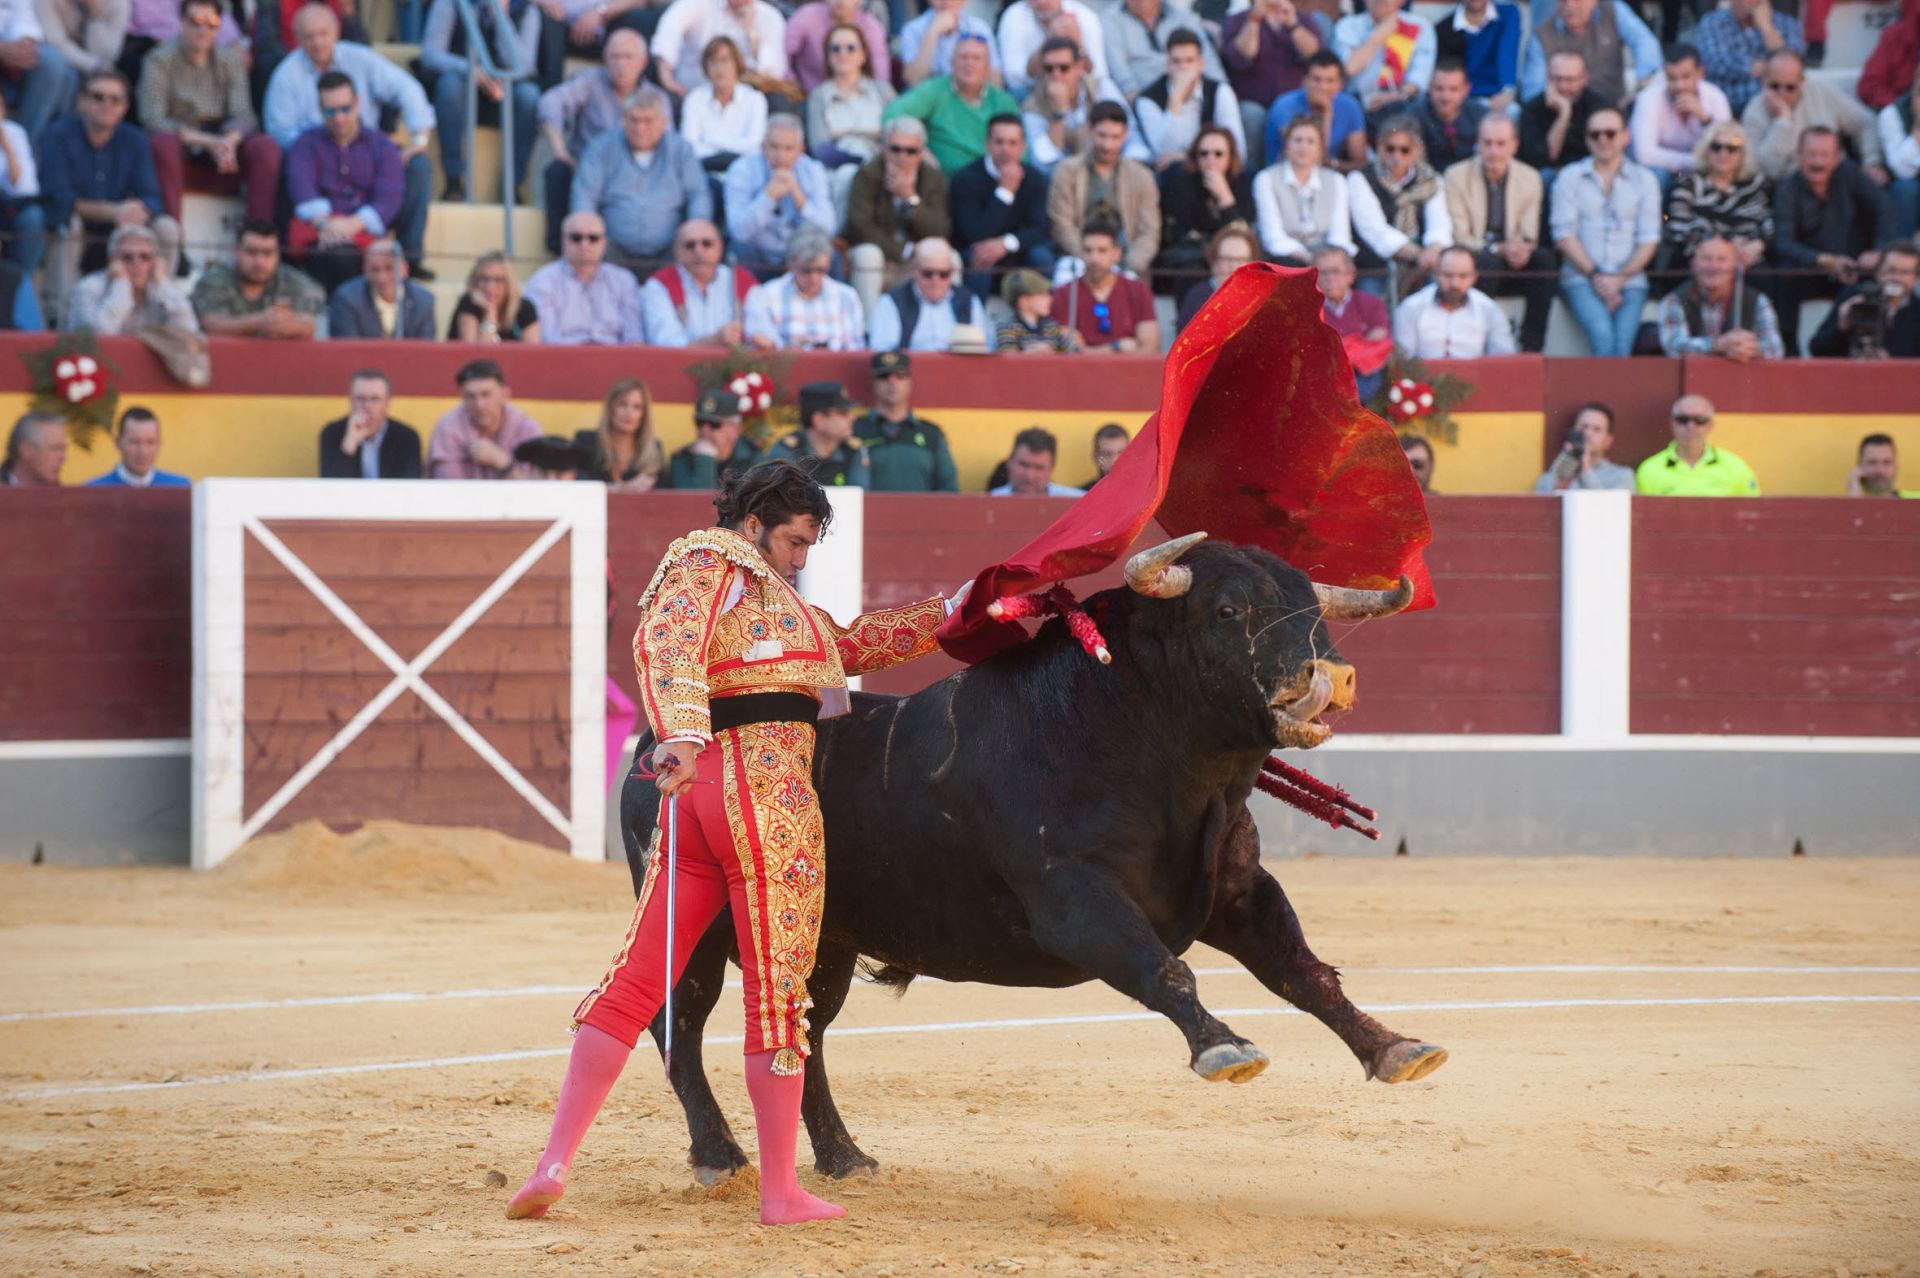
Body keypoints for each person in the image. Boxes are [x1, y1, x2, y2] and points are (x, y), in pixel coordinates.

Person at [505, 461, 955, 1228]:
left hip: (698, 805)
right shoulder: (712, 558)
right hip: (763, 794)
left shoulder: (777, 602)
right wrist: (680, 733)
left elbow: (851, 645)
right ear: (752, 524)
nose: (799, 557)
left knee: (636, 981)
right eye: (792, 539)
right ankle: (780, 1191)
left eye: (809, 543)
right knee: (779, 999)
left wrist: (961, 607)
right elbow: (667, 639)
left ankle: (554, 1163)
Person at [264, 4, 434, 278]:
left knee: (418, 167)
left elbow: (408, 89)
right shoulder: (286, 75)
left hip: (369, 155)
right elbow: (282, 134)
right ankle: (288, 259)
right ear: (296, 37)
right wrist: (325, 147)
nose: (317, 41)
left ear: (337, 31)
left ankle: (409, 260)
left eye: (323, 33)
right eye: (308, 35)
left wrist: (419, 137)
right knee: (286, 166)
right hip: (315, 163)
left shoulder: (362, 60)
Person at [40, 68, 180, 304]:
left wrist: (139, 210)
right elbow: (58, 197)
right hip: (78, 223)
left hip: (121, 226)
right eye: (98, 97)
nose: (107, 104)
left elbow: (152, 197)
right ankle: (60, 312)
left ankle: (161, 303)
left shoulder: (134, 139)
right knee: (68, 224)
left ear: (124, 107)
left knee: (167, 227)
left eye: (115, 100)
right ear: (81, 100)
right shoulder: (59, 135)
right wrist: (113, 211)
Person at [138, 0, 279, 228]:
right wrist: (209, 143)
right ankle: (173, 236)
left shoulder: (230, 59)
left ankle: (258, 237)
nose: (203, 30)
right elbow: (153, 119)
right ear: (181, 23)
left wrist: (228, 142)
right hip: (183, 140)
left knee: (265, 148)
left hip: (221, 141)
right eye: (196, 22)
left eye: (212, 23)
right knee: (162, 142)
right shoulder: (158, 59)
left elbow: (244, 115)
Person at [1770, 126, 1896, 355]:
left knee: (1878, 284)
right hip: (1809, 269)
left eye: (1825, 155)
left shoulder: (1850, 174)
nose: (1818, 162)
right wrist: (1826, 261)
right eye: (1811, 154)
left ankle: (1870, 352)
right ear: (1799, 155)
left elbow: (1884, 207)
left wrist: (1878, 250)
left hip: (1855, 267)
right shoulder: (1788, 188)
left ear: (1837, 157)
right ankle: (1790, 355)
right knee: (1782, 278)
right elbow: (1783, 242)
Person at [284, 71, 406, 297]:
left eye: (345, 109)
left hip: (365, 232)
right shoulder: (306, 144)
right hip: (319, 233)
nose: (338, 118)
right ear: (320, 110)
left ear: (357, 104)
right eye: (330, 111)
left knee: (367, 260)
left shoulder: (383, 146)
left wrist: (350, 225)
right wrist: (326, 225)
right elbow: (302, 190)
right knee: (338, 255)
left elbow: (388, 199)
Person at [1550, 105, 1660, 356]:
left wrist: (1619, 278)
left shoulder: (1645, 180)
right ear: (1586, 138)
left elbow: (1648, 239)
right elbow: (1564, 235)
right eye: (1595, 134)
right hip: (1581, 279)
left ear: (1625, 136)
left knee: (1620, 347)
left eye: (1610, 133)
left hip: (1630, 281)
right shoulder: (1570, 177)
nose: (1602, 139)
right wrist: (1598, 277)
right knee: (1603, 338)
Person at [572, 85, 712, 271]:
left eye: (648, 121)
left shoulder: (681, 150)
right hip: (612, 251)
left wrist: (695, 230)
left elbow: (698, 194)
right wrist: (589, 235)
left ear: (664, 122)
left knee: (697, 244)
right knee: (586, 240)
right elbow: (584, 195)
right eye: (634, 120)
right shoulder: (601, 148)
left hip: (670, 252)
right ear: (623, 120)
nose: (640, 128)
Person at [1445, 114, 1554, 352]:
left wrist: (1521, 247)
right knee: (1488, 261)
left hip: (1512, 257)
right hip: (1479, 257)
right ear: (1478, 143)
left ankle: (1532, 347)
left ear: (1514, 145)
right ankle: (1481, 341)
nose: (1494, 151)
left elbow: (1529, 233)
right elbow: (1460, 235)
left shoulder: (1530, 177)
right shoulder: (1456, 175)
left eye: (1501, 144)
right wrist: (1497, 248)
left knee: (1544, 260)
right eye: (1487, 143)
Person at [538, 29, 649, 256]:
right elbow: (550, 102)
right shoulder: (592, 81)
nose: (621, 64)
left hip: (632, 181)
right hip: (585, 171)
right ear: (605, 59)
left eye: (628, 57)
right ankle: (560, 250)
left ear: (643, 62)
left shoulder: (654, 99)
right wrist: (559, 149)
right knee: (557, 171)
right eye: (615, 56)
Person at [418, 0, 539, 201]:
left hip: (503, 91)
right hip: (463, 89)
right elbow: (431, 54)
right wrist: (470, 70)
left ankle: (511, 186)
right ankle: (454, 180)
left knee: (529, 96)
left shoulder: (527, 9)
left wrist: (499, 18)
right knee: (449, 86)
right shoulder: (450, 4)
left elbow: (524, 65)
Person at [845, 116, 951, 312]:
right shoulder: (867, 174)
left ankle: (945, 324)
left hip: (917, 263)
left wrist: (910, 198)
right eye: (895, 149)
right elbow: (859, 226)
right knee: (868, 255)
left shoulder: (933, 177)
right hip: (882, 259)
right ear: (884, 148)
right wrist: (904, 250)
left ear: (921, 153)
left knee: (949, 257)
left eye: (911, 151)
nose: (902, 157)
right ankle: (868, 331)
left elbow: (939, 229)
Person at [1048, 100, 1161, 277]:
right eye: (1102, 135)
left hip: (1126, 260)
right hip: (1078, 259)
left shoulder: (1141, 176)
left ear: (1125, 135)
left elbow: (1149, 231)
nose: (1107, 145)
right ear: (1089, 131)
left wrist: (1131, 264)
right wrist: (1090, 257)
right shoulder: (1067, 171)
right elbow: (1062, 224)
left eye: (1115, 137)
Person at [948, 112, 1053, 301]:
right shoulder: (965, 178)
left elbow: (1039, 228)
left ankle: (1043, 322)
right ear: (987, 144)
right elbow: (974, 233)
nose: (1006, 149)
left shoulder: (1035, 179)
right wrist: (1004, 193)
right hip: (977, 252)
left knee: (1041, 256)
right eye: (999, 142)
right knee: (981, 259)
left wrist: (1005, 244)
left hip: (1016, 250)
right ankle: (973, 322)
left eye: (1012, 143)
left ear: (1023, 147)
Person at [883, 32, 1020, 175]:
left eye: (976, 58)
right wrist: (920, 151)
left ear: (988, 66)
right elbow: (893, 114)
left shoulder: (1003, 102)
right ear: (952, 62)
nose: (969, 63)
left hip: (987, 184)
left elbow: (1021, 152)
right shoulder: (934, 90)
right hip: (940, 183)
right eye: (963, 57)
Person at [1739, 49, 1885, 184]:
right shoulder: (1754, 112)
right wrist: (1782, 122)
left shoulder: (1821, 91)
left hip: (1838, 180)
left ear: (1802, 82)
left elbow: (1865, 122)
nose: (1782, 94)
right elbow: (1767, 171)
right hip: (1791, 188)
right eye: (1775, 86)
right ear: (1763, 82)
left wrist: (1872, 162)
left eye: (1790, 87)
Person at [1348, 114, 1451, 295]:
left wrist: (1433, 249)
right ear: (1379, 147)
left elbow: (1439, 222)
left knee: (1444, 278)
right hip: (1377, 262)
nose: (1397, 156)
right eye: (1390, 149)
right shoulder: (1361, 178)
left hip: (1426, 260)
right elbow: (1373, 230)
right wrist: (1418, 254)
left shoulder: (1431, 180)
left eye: (1405, 150)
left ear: (1417, 149)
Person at [1221, 0, 1329, 167]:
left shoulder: (1303, 19)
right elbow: (1243, 54)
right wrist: (1254, 19)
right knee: (1251, 114)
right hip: (1254, 103)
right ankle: (1249, 175)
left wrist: (1293, 25)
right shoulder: (1236, 20)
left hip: (1294, 104)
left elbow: (1315, 57)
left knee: (1298, 119)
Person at [723, 112, 832, 269]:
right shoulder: (742, 170)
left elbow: (827, 228)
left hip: (800, 254)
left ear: (801, 150)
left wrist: (799, 196)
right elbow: (739, 232)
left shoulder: (813, 170)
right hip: (757, 252)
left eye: (788, 148)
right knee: (738, 249)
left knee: (829, 255)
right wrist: (768, 197)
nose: (781, 156)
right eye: (774, 147)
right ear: (763, 146)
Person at [523, 210, 647, 344]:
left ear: (604, 242)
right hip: (565, 360)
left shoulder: (624, 280)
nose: (584, 244)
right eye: (576, 238)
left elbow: (634, 338)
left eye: (593, 238)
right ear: (563, 240)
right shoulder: (543, 280)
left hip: (616, 360)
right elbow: (547, 340)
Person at [188, 220, 324, 339]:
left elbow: (310, 325)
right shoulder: (214, 278)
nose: (259, 262)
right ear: (237, 251)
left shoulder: (294, 280)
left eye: (267, 253)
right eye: (251, 252)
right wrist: (259, 322)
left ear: (277, 255)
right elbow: (209, 324)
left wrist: (291, 326)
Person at [1134, 29, 1247, 172]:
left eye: (1190, 60)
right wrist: (1176, 99)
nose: (1183, 68)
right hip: (1174, 175)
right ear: (1167, 64)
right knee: (1178, 171)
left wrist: (1186, 156)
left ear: (1201, 64)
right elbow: (1163, 152)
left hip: (1217, 167)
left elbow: (1236, 148)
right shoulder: (1147, 99)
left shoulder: (1219, 91)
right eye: (1176, 61)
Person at [1655, 234, 1783, 360]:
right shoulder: (1674, 300)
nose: (1713, 266)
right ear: (1693, 265)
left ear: (1735, 267)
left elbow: (1776, 349)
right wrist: (1718, 345)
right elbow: (1673, 348)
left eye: (1722, 259)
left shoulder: (1758, 300)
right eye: (1706, 258)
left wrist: (1750, 349)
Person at [1157, 124, 1254, 290]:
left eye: (1218, 154)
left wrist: (1225, 197)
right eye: (1203, 153)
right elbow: (1183, 232)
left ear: (1230, 157)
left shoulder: (1244, 181)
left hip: (1230, 253)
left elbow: (1242, 234)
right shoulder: (1183, 179)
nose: (1211, 159)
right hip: (1193, 253)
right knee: (1190, 269)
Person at [1663, 119, 1771, 265]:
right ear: (1706, 151)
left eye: (1732, 148)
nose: (1723, 153)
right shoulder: (1689, 184)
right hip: (1700, 259)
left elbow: (1766, 226)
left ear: (1742, 154)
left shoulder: (1754, 185)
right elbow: (1678, 228)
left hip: (1746, 261)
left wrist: (1758, 245)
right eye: (1716, 147)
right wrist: (1725, 248)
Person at [1253, 113, 1356, 264]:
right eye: (1297, 140)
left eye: (1311, 142)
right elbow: (1273, 237)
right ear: (1287, 146)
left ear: (1320, 149)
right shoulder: (1266, 179)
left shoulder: (1336, 181)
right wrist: (1310, 259)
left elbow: (1339, 234)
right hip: (1285, 258)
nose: (1303, 147)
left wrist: (1326, 259)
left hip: (1326, 259)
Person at [743, 224, 865, 350]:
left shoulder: (847, 296)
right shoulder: (764, 296)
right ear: (790, 263)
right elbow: (760, 350)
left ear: (829, 262)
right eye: (806, 271)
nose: (814, 278)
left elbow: (856, 351)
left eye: (821, 270)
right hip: (785, 368)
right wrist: (788, 350)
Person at [1519, 0, 1660, 108]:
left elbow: (1644, 41)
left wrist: (1643, 79)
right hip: (1563, 113)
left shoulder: (1613, 10)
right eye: (1563, 0)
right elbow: (1532, 91)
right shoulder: (1541, 35)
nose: (1570, 6)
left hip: (1611, 108)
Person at [64, 223, 198, 334]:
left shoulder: (162, 289)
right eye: (127, 257)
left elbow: (189, 332)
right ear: (113, 261)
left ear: (155, 262)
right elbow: (100, 335)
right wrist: (121, 285)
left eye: (145, 257)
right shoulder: (88, 287)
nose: (137, 263)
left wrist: (162, 283)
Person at [854, 350, 960, 490]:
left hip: (922, 512)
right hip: (865, 512)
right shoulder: (855, 429)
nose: (892, 382)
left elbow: (948, 486)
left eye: (900, 376)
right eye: (883, 376)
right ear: (872, 383)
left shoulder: (931, 434)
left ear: (910, 383)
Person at [1629, 42, 1728, 187]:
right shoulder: (1648, 98)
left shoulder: (1715, 97)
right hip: (1664, 172)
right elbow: (1644, 155)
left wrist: (1704, 120)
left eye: (1685, 77)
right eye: (1672, 78)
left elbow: (1727, 145)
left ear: (1700, 73)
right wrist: (1697, 161)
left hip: (1701, 172)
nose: (1679, 86)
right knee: (1657, 175)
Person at [641, 218, 753, 346]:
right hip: (679, 366)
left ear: (720, 248)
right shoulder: (659, 285)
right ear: (676, 250)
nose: (698, 251)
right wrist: (716, 340)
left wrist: (756, 338)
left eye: (707, 244)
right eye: (689, 245)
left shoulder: (741, 280)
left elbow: (763, 332)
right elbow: (666, 345)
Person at [1051, 219, 1159, 353]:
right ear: (1079, 253)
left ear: (1117, 254)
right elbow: (1066, 351)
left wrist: (1088, 351)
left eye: (1102, 251)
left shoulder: (1138, 290)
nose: (1094, 258)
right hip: (1080, 373)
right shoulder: (1065, 294)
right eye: (1087, 250)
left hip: (1128, 372)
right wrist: (1116, 347)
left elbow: (1151, 348)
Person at [868, 237, 992, 353]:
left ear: (952, 271)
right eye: (927, 274)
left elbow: (987, 348)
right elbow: (883, 352)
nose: (935, 281)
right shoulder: (891, 302)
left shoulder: (969, 301)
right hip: (910, 374)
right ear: (914, 269)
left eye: (943, 274)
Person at [427, 358, 545, 480]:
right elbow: (447, 490)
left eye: (486, 394)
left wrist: (504, 464)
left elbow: (532, 492)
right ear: (462, 397)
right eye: (470, 396)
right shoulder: (448, 428)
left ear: (505, 395)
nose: (479, 404)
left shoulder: (526, 428)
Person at [1020, 35, 1122, 175]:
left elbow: (1127, 131)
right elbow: (1043, 162)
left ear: (1078, 67)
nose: (1056, 75)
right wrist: (1059, 113)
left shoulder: (1101, 88)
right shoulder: (1032, 106)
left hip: (1106, 167)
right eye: (1049, 69)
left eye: (1064, 68)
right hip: (1061, 177)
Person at [649, 0, 789, 99]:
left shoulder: (770, 17)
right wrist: (666, 78)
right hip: (691, 93)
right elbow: (669, 29)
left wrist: (751, 33)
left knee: (777, 100)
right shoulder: (699, 4)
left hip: (743, 100)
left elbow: (774, 72)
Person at [1392, 245, 1516, 356]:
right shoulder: (1411, 308)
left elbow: (1503, 358)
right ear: (1435, 274)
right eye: (1448, 275)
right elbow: (1404, 360)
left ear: (1474, 277)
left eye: (1463, 276)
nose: (1455, 284)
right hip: (1423, 379)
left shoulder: (1489, 310)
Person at [805, 20, 893, 168]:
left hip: (882, 165)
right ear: (828, 56)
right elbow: (820, 149)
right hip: (838, 168)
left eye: (851, 48)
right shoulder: (818, 96)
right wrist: (860, 162)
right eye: (835, 48)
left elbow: (898, 133)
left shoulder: (882, 90)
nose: (843, 54)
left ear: (863, 55)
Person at [1808, 242, 1920, 359]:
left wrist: (1891, 363)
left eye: (1905, 272)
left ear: (1916, 279)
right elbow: (1817, 351)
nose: (1896, 278)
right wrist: (1842, 325)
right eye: (1891, 270)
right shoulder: (1854, 296)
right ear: (1878, 273)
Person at [1694, 0, 1805, 118]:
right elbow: (1719, 63)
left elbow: (1794, 64)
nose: (1747, 3)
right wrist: (1773, 69)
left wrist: (1767, 28)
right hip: (1732, 105)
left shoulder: (1786, 23)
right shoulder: (1712, 22)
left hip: (1780, 100)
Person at [1332, 0, 1436, 123]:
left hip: (1402, 101)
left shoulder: (1420, 26)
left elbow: (1418, 82)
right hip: (1358, 102)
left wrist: (1392, 97)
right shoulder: (1347, 26)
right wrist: (1379, 35)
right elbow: (1349, 69)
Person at [1635, 394, 1759, 496]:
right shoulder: (1649, 469)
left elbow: (1752, 511)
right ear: (1672, 423)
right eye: (1683, 419)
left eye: (1699, 420)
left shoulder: (1736, 467)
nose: (1690, 426)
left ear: (1710, 425)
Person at [1263, 49, 1365, 172]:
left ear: (1340, 84)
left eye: (1330, 80)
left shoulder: (1350, 106)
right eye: (1317, 79)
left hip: (1330, 175)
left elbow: (1360, 162)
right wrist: (1326, 112)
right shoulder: (1284, 106)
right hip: (1284, 173)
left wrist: (1333, 164)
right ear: (1304, 81)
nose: (1323, 87)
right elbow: (1308, 160)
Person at [1103, 0, 1225, 101]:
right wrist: (1139, 103)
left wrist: (1223, 90)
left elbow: (1208, 60)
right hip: (1144, 99)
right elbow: (1119, 71)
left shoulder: (1183, 16)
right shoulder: (1110, 20)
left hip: (1194, 96)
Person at [318, 369, 424, 479]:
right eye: (360, 399)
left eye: (375, 399)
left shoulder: (406, 438)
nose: (367, 406)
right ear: (350, 401)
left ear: (387, 403)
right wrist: (350, 443)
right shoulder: (332, 433)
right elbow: (331, 487)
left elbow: (409, 488)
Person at [0, 0, 78, 145]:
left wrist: (24, 42)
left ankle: (26, 145)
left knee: (55, 64)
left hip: (11, 41)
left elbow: (23, 14)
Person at [763, 381, 870, 487]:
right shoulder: (787, 450)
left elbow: (859, 495)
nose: (852, 418)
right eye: (843, 413)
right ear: (819, 420)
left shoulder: (852, 451)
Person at [682, 36, 769, 166]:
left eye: (724, 60)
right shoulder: (694, 98)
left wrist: (710, 141)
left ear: (737, 63)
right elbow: (689, 147)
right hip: (704, 169)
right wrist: (729, 152)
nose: (719, 68)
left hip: (744, 171)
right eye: (713, 62)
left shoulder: (755, 100)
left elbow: (755, 147)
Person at [328, 238, 437, 340]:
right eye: (375, 270)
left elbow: (426, 351)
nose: (382, 278)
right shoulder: (346, 298)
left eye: (389, 268)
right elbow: (346, 353)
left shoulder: (424, 301)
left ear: (405, 268)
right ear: (364, 270)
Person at [1518, 49, 1606, 176]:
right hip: (1550, 176)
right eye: (1557, 79)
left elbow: (1603, 153)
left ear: (1584, 79)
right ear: (1547, 77)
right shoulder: (1532, 109)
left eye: (1570, 80)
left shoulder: (1599, 107)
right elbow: (1542, 159)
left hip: (1590, 174)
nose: (1563, 86)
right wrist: (1564, 114)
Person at [999, 0, 1110, 100]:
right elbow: (1014, 79)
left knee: (1107, 95)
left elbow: (1099, 74)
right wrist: (1050, 41)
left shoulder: (1085, 16)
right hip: (1034, 91)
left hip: (1080, 88)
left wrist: (1077, 43)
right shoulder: (1014, 16)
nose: (1041, 2)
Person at [574, 378, 666, 490]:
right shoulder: (586, 442)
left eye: (637, 407)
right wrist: (624, 488)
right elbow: (579, 487)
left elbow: (665, 494)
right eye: (622, 404)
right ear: (610, 408)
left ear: (644, 414)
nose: (629, 413)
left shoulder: (654, 449)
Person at [785, 0, 888, 96]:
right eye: (835, 49)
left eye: (850, 48)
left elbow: (880, 72)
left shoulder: (871, 26)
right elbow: (783, 54)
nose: (841, 1)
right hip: (808, 95)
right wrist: (792, 86)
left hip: (860, 98)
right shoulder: (807, 16)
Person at [1433, 0, 1523, 109]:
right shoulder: (1444, 29)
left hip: (1498, 95)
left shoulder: (1508, 14)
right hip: (1463, 99)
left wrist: (1507, 91)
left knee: (1512, 112)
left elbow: (1508, 53)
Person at [898, 0, 1002, 91]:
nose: (947, 2)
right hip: (928, 99)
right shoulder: (912, 29)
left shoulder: (980, 28)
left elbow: (995, 80)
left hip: (968, 97)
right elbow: (913, 80)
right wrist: (933, 32)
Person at [665, 387, 758, 487]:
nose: (704, 430)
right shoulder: (682, 459)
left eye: (714, 424)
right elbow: (693, 501)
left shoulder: (753, 457)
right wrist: (705, 460)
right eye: (699, 423)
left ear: (735, 429)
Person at [1533, 401, 1635, 491]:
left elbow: (1610, 508)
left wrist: (1585, 470)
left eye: (1596, 429)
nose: (1587, 433)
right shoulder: (1548, 478)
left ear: (1608, 441)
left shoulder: (1621, 476)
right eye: (1583, 426)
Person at [1175, 221, 1256, 332]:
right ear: (1214, 264)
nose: (1233, 266)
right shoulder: (1197, 298)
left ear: (1252, 264)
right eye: (1227, 259)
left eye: (1240, 259)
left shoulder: (1260, 299)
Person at [82, 406, 190, 487]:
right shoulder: (94, 491)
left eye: (150, 442)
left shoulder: (179, 488)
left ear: (159, 443)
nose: (143, 452)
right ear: (118, 443)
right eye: (134, 442)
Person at [1410, 58, 1485, 172]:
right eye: (1439, 89)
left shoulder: (1481, 116)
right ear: (1430, 87)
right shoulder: (1415, 115)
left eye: (1453, 89)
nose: (1446, 97)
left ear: (1466, 90)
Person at [451, 250, 541, 342]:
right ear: (475, 281)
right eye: (484, 279)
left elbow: (532, 352)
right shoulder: (468, 304)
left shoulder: (525, 308)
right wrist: (490, 313)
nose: (490, 287)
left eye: (498, 280)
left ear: (510, 283)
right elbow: (476, 352)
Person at [0, 94, 43, 275]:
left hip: (9, 207)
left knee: (33, 216)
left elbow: (25, 189)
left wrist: (6, 147)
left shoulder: (14, 133)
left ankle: (21, 285)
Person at [997, 266, 1079, 350]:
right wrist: (1029, 354)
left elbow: (1074, 353)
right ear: (1024, 301)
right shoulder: (1008, 328)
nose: (1050, 299)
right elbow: (1007, 356)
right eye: (1043, 295)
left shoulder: (1051, 326)